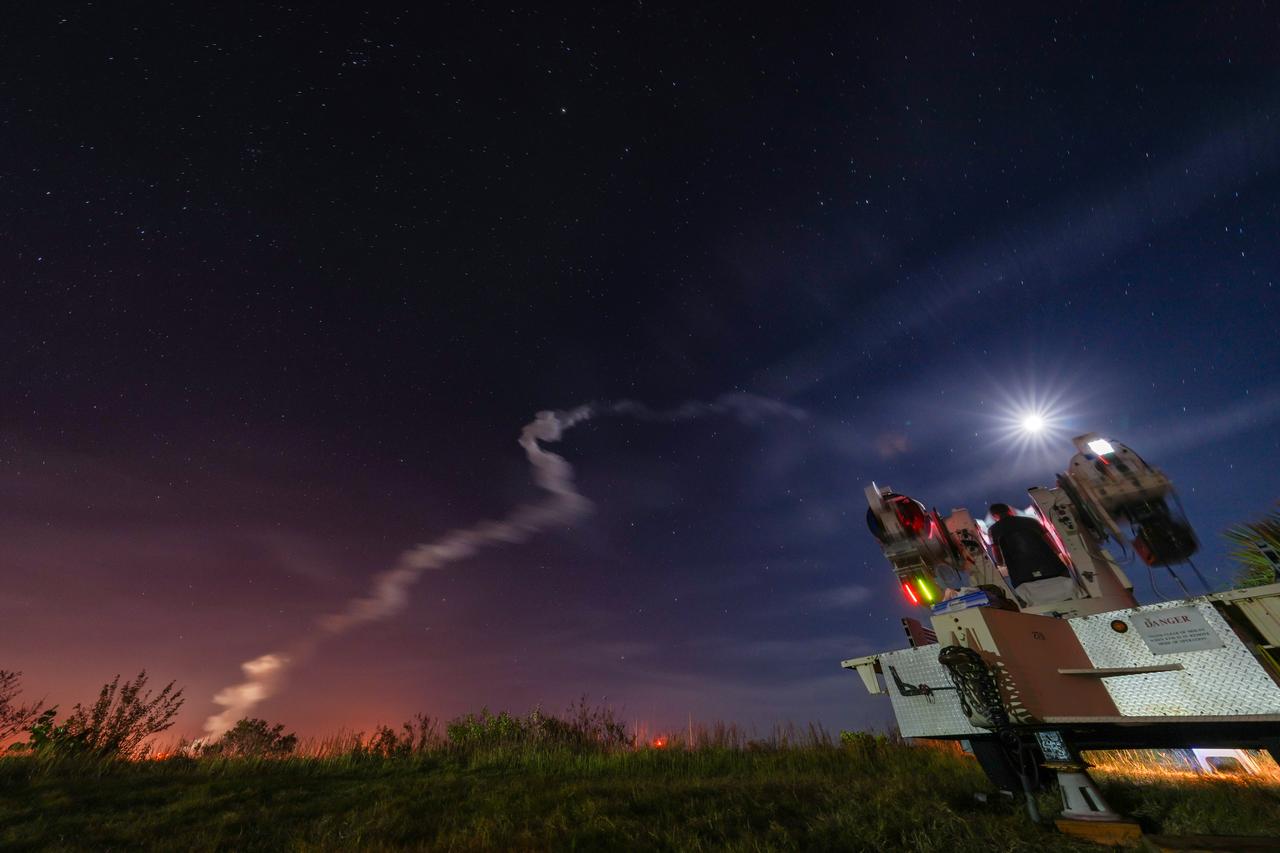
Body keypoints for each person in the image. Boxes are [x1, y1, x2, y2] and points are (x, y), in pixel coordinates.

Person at [987, 503, 1075, 605]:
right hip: (1054, 569)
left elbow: (998, 556)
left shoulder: (993, 530)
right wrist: (1059, 553)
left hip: (1022, 578)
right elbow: (1051, 544)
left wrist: (1000, 564)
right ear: (1009, 510)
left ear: (994, 516)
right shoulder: (1032, 521)